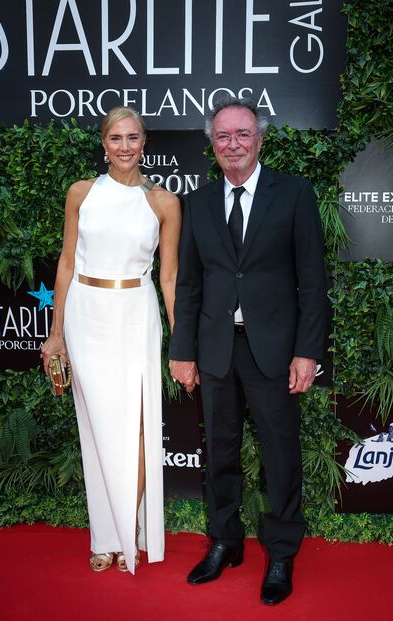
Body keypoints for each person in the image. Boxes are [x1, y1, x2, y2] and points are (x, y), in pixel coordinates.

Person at [169, 96, 326, 605]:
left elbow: (312, 282)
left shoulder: (295, 195)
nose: (232, 144)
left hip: (275, 352)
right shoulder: (197, 202)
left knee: (280, 456)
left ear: (259, 139)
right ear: (211, 145)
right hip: (215, 350)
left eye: (242, 134)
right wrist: (182, 349)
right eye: (222, 136)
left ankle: (281, 552)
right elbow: (189, 285)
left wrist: (307, 351)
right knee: (219, 454)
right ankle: (225, 542)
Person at [41, 106, 181, 574]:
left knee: (137, 429)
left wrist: (181, 342)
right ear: (103, 144)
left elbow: (169, 278)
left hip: (136, 315)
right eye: (116, 138)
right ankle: (106, 538)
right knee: (96, 429)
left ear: (145, 142)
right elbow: (65, 262)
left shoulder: (163, 202)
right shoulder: (80, 193)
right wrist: (56, 333)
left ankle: (130, 534)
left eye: (133, 137)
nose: (125, 146)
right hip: (86, 315)